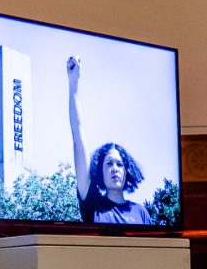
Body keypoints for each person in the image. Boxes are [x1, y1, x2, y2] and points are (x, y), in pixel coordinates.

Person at [66, 55, 154, 225]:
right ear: (100, 170)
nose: (115, 169)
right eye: (109, 163)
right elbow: (78, 136)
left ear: (127, 172)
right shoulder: (93, 204)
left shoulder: (141, 212)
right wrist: (73, 82)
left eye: (119, 164)